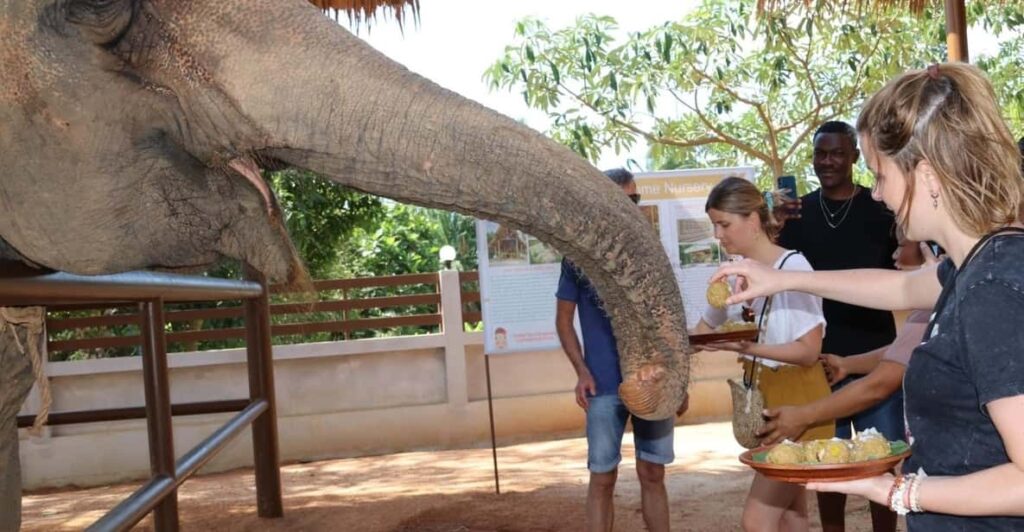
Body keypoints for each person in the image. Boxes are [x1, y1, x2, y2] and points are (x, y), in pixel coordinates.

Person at [714, 63, 1024, 530]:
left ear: (927, 174)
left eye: (880, 175)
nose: (876, 194)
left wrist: (896, 490)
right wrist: (782, 280)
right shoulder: (974, 263)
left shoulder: (992, 285)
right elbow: (899, 286)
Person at [777, 120, 901, 532]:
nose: (827, 161)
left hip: (873, 363)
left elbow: (907, 271)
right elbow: (776, 273)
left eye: (836, 153)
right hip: (818, 364)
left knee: (879, 466)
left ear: (853, 157)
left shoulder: (881, 210)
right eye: (820, 153)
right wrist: (774, 228)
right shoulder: (797, 214)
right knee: (827, 475)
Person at [694, 176, 831, 532]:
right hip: (770, 400)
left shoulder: (793, 268)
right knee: (791, 514)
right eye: (714, 225)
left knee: (757, 519)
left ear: (752, 221)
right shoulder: (737, 272)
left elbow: (808, 351)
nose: (718, 235)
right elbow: (704, 329)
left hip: (799, 402)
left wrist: (747, 346)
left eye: (723, 224)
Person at [555, 167, 678, 532]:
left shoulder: (650, 252)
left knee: (653, 473)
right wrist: (581, 371)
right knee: (602, 477)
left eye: (635, 200)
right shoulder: (578, 257)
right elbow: (563, 321)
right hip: (603, 387)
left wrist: (677, 382)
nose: (632, 208)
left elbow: (669, 321)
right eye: (624, 200)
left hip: (652, 383)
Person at [757, 232, 938, 444]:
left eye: (900, 246)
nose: (895, 255)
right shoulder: (930, 305)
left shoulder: (934, 303)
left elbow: (878, 385)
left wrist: (803, 416)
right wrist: (847, 364)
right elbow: (902, 351)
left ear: (929, 251)